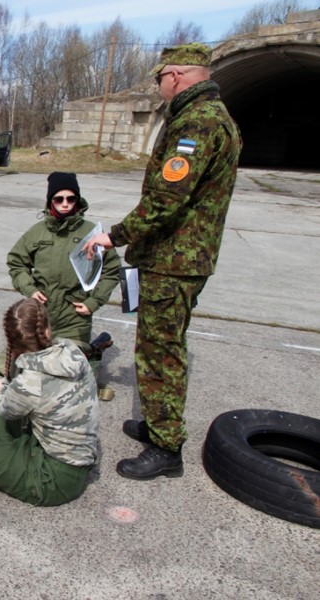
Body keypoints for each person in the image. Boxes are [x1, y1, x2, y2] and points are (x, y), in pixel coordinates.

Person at [81, 42, 242, 480]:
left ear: (175, 76)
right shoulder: (214, 117)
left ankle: (166, 447)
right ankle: (156, 424)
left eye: (160, 79)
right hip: (181, 258)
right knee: (159, 346)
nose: (159, 86)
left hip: (174, 261)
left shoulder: (197, 124)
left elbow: (166, 200)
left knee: (161, 353)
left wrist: (114, 236)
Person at [0, 299, 99, 506]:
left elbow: (8, 408)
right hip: (75, 455)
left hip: (54, 480)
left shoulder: (29, 382)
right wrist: (6, 388)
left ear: (12, 340)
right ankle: (8, 456)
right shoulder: (72, 350)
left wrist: (5, 388)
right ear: (47, 328)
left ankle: (6, 458)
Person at [7, 172, 120, 357]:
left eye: (71, 198)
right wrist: (30, 289)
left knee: (68, 367)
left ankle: (92, 351)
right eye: (59, 199)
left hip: (74, 319)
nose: (65, 204)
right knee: (18, 364)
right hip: (41, 315)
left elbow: (111, 270)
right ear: (50, 201)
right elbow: (16, 263)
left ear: (77, 200)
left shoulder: (91, 233)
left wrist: (93, 302)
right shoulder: (38, 232)